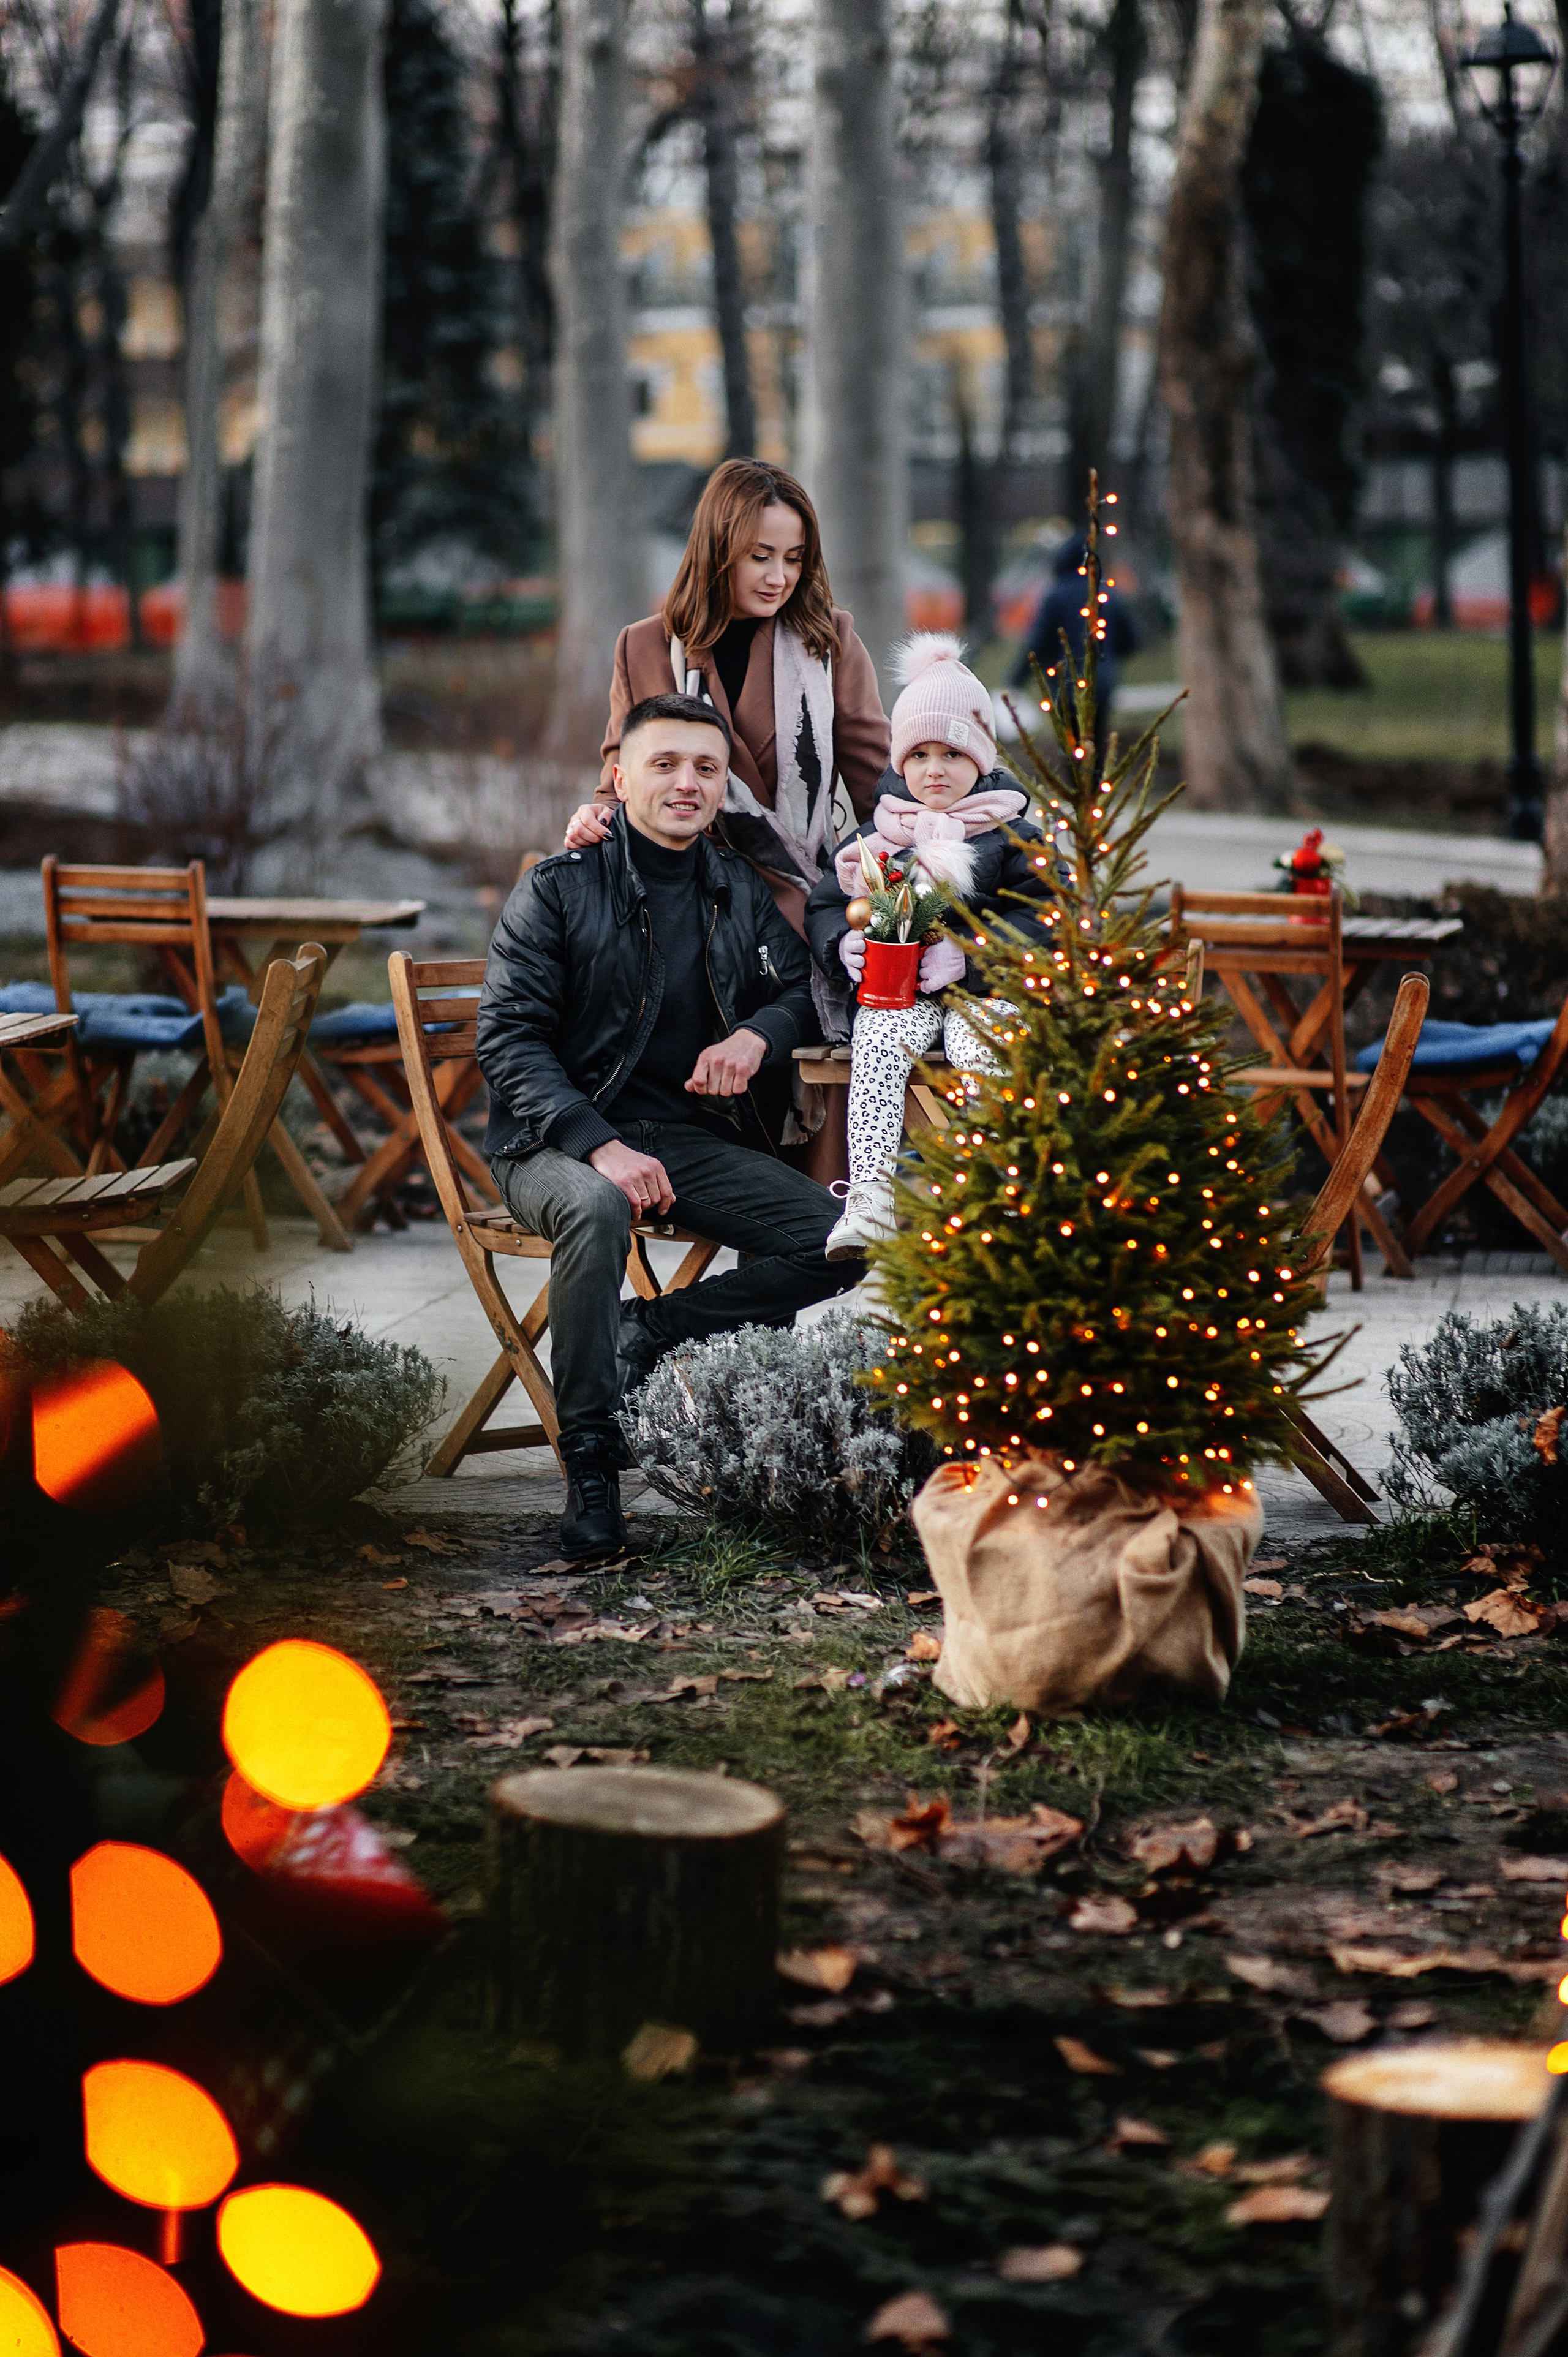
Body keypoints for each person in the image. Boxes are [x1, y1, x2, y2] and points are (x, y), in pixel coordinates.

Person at [477, 692, 862, 1564]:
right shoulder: (558, 887)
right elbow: (506, 1039)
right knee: (597, 1208)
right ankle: (594, 1463)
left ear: (723, 787)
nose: (686, 783)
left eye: (705, 768)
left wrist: (754, 1038)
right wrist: (600, 1145)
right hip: (553, 1142)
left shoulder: (735, 888)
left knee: (847, 1236)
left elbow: (801, 991)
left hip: (681, 1139)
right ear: (619, 777)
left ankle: (642, 1333)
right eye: (664, 764)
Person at [562, 458, 891, 941]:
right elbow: (618, 787)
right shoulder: (642, 646)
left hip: (798, 911)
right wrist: (594, 818)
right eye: (761, 556)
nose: (780, 577)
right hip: (676, 908)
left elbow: (879, 793)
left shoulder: (829, 643)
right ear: (719, 550)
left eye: (794, 558)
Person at [804, 636, 1051, 1260]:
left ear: (982, 760)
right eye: (918, 753)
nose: (934, 768)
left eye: (951, 753)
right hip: (902, 991)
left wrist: (970, 952)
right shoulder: (879, 835)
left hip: (987, 994)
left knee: (981, 1046)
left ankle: (994, 1193)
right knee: (879, 1036)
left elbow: (1045, 918)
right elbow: (828, 903)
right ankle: (869, 1195)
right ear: (900, 760)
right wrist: (844, 945)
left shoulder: (1012, 834)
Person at [1012, 533, 1139, 712]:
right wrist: (1106, 657)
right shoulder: (1106, 594)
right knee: (1096, 736)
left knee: (1070, 737)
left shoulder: (1055, 597)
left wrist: (1015, 680)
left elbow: (1038, 642)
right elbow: (1130, 640)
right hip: (1102, 683)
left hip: (1066, 684)